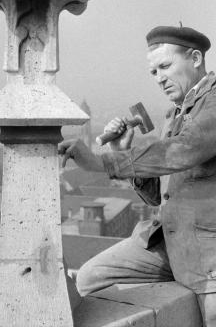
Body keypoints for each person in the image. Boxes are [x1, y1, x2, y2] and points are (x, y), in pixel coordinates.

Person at [58, 25, 216, 326]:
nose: (159, 78)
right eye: (153, 72)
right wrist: (124, 148)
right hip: (170, 245)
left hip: (209, 257)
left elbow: (183, 150)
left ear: (195, 58)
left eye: (166, 66)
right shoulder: (175, 114)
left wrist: (103, 161)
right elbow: (159, 195)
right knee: (91, 277)